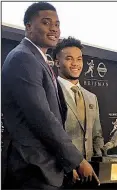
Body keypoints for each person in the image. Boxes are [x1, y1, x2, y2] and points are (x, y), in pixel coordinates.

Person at [2, 2, 99, 189]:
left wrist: (64, 162)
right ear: (28, 27)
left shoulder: (37, 58)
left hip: (46, 167)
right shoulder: (23, 58)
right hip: (32, 168)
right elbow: (42, 118)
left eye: (57, 24)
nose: (54, 28)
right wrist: (77, 160)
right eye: (47, 23)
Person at [53, 37, 104, 185]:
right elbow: (51, 137)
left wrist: (100, 163)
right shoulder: (51, 93)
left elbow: (97, 135)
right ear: (57, 62)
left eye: (79, 59)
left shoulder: (91, 97)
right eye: (69, 59)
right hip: (62, 174)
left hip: (89, 174)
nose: (75, 64)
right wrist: (67, 167)